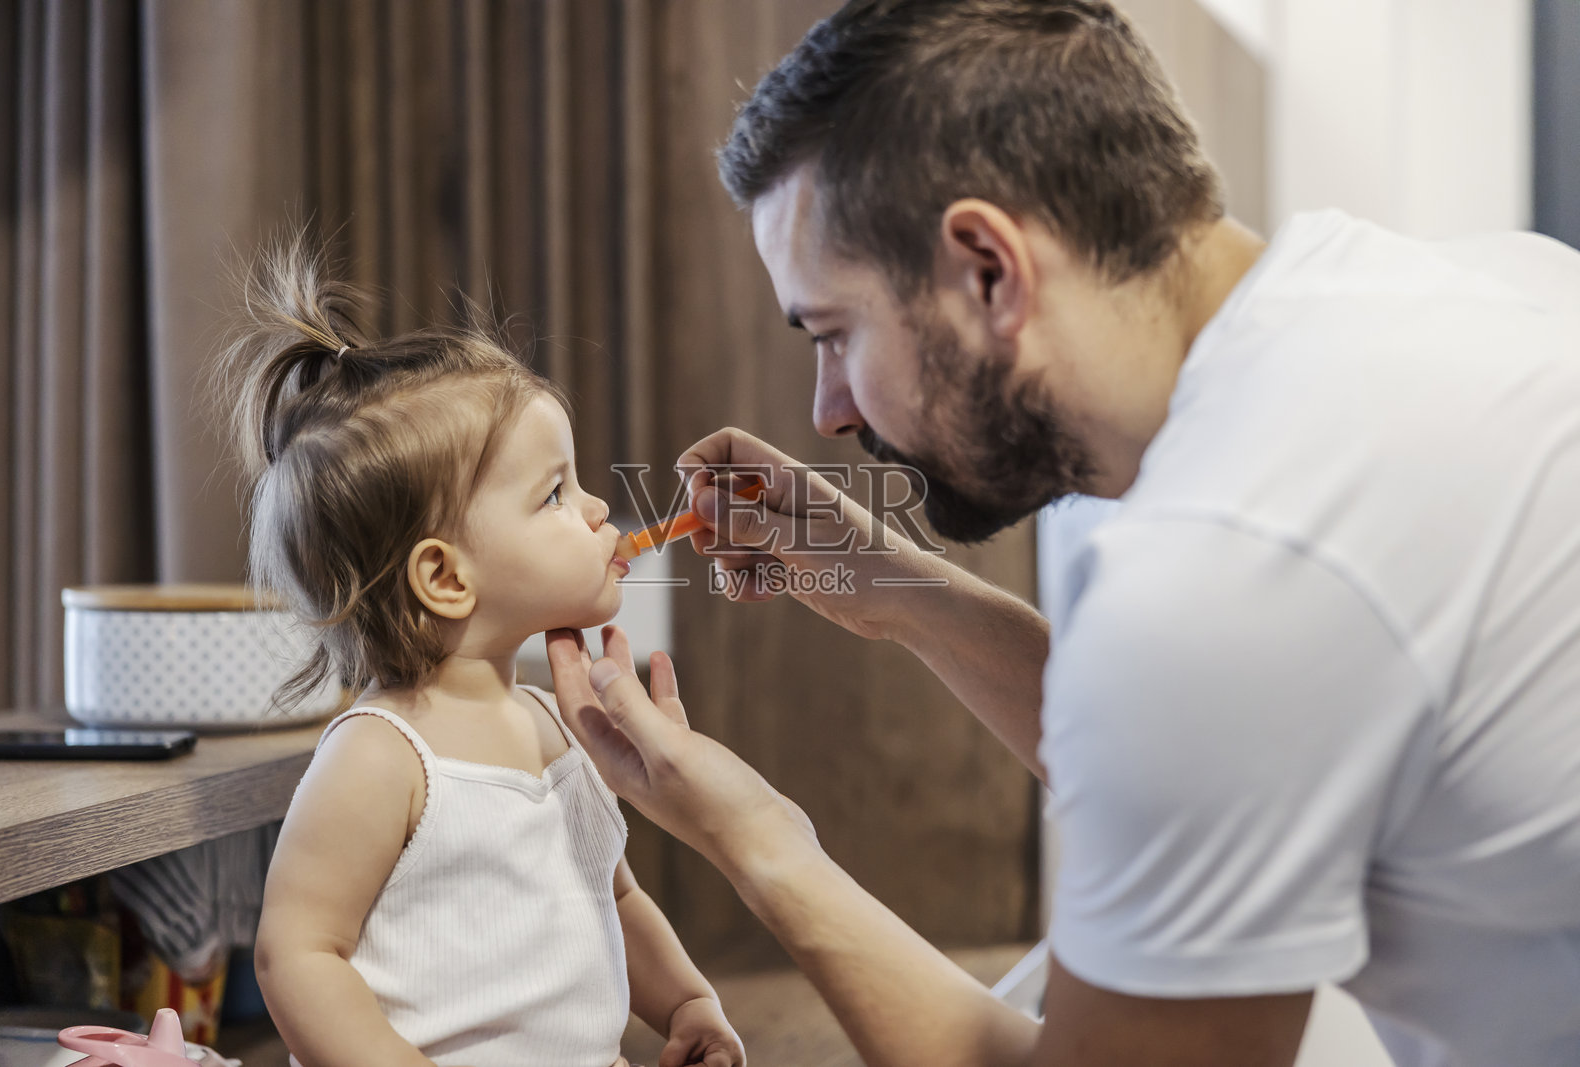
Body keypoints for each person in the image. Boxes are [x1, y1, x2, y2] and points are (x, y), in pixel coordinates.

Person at [545, 2, 1580, 1066]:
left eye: (834, 333)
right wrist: (902, 589)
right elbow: (1223, 750)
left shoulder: (1228, 572)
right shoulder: (1490, 284)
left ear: (987, 268)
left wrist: (755, 836)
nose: (827, 411)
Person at [225, 241, 744, 1067]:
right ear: (445, 575)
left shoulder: (556, 719)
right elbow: (295, 952)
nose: (597, 504)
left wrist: (686, 1001)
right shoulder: (382, 755)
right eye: (554, 492)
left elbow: (613, 892)